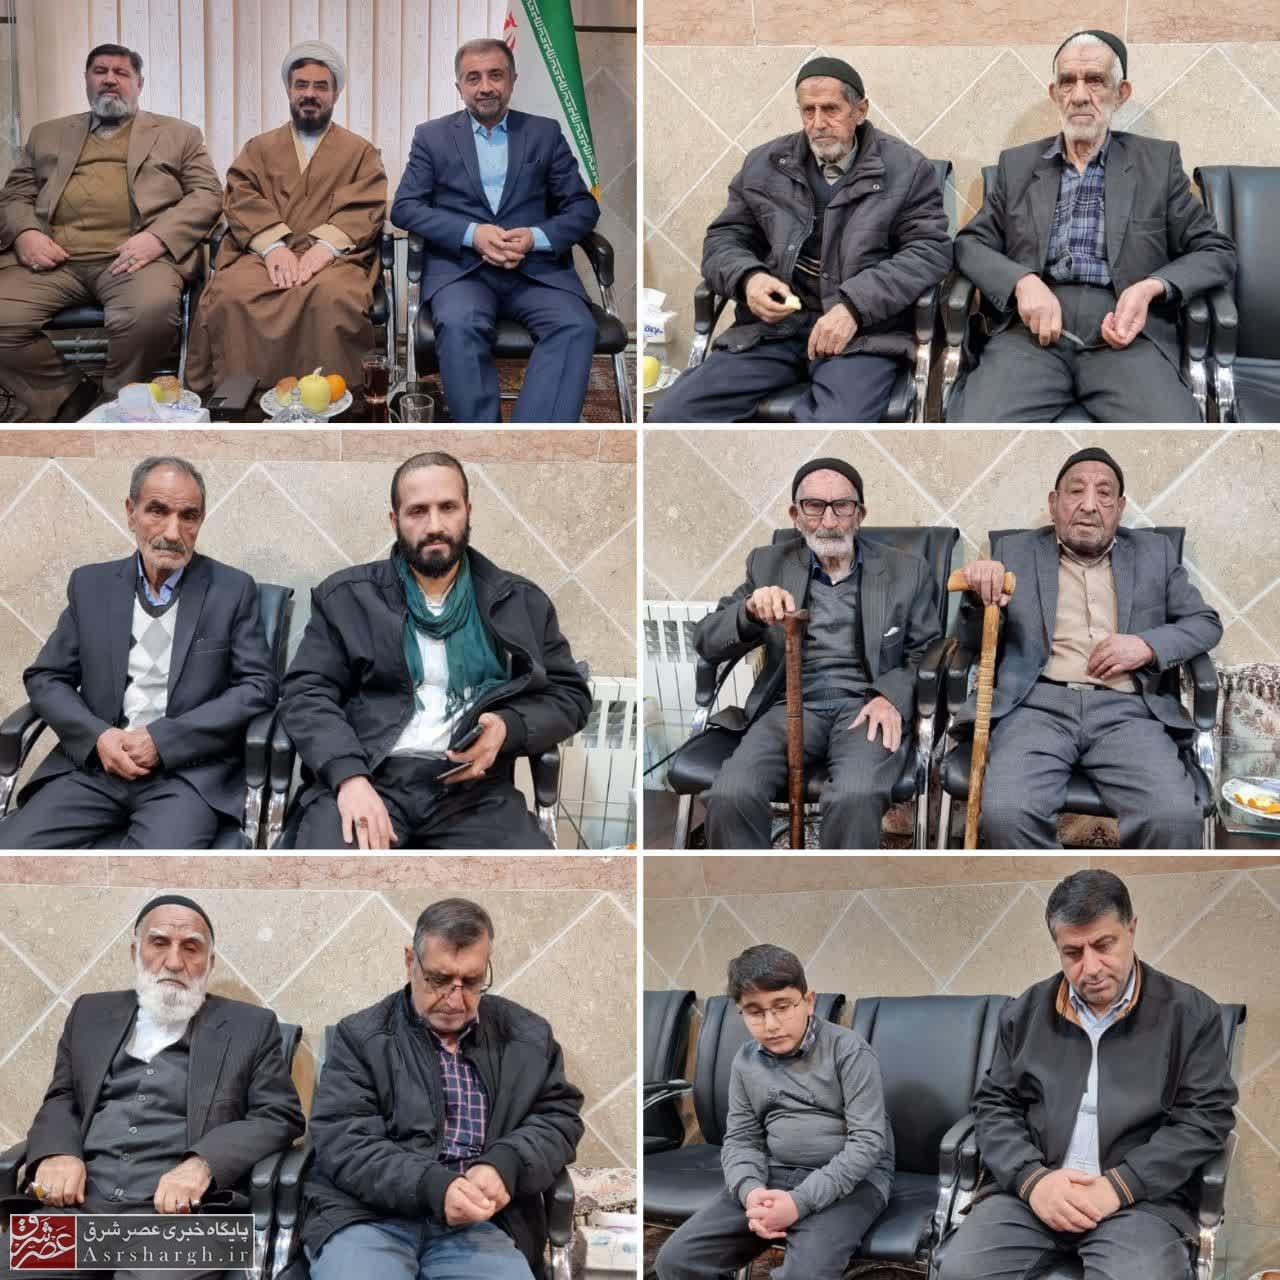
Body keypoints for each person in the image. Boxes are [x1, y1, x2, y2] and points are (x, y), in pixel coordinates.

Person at [279, 450, 591, 849]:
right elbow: (306, 694)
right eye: (417, 511)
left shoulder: (519, 602)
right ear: (394, 520)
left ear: (468, 511)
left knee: (525, 868)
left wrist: (509, 726)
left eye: (448, 507)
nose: (435, 526)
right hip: (371, 774)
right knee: (334, 869)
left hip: (472, 789)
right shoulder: (347, 598)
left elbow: (569, 695)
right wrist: (349, 777)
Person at [938, 870, 1237, 1280]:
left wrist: (1120, 1185)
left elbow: (1206, 1119)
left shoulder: (1190, 1014)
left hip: (1139, 1201)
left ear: (1132, 928)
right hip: (1034, 1193)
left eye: (1104, 945)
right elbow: (994, 1106)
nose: (1091, 967)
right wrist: (1033, 1180)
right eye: (1073, 953)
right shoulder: (1025, 1013)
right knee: (960, 1272)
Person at [6, 895, 305, 1280]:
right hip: (80, 1206)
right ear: (136, 951)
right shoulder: (89, 1013)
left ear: (210, 962)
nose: (175, 961)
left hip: (190, 1218)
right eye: (159, 942)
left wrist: (203, 1164)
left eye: (191, 948)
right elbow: (63, 1096)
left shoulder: (251, 1025)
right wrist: (57, 1152)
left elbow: (279, 1115)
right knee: (15, 1269)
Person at [947, 30, 1236, 422]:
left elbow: (1217, 252)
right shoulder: (1017, 165)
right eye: (1068, 82)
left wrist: (1151, 287)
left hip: (1127, 334)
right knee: (978, 429)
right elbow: (970, 244)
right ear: (1055, 93)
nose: (1080, 95)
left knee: (1172, 432)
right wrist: (1022, 282)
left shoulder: (1158, 163)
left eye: (1095, 80)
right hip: (1030, 334)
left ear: (1121, 93)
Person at [648, 57, 951, 423]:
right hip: (772, 331)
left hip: (861, 337)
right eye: (808, 110)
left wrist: (854, 307)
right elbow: (723, 240)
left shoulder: (907, 169)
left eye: (830, 109)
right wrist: (749, 279)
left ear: (860, 110)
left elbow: (929, 251)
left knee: (833, 430)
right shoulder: (765, 165)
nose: (818, 123)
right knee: (671, 415)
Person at [0, 456, 276, 849]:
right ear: (131, 512)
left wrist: (164, 740)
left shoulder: (232, 590)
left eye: (188, 516)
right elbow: (46, 677)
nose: (172, 531)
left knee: (153, 870)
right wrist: (98, 737)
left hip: (186, 777)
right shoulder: (91, 585)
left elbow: (258, 687)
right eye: (157, 511)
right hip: (94, 769)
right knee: (13, 853)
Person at [953, 446, 1221, 848]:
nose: (1090, 505)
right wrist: (979, 596)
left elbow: (1205, 622)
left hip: (1128, 711)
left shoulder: (1154, 554)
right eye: (1076, 491)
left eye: (1104, 494)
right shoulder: (1014, 552)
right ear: (1053, 503)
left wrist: (1146, 645)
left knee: (1173, 816)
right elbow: (974, 642)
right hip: (1035, 708)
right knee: (1006, 814)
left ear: (1120, 507)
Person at [301, 898, 583, 1279]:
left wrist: (507, 1164)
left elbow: (558, 1118)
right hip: (369, 1217)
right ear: (410, 961)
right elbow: (344, 1141)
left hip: (482, 1224)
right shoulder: (361, 1037)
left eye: (471, 982)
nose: (454, 999)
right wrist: (432, 1187)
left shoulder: (527, 1036)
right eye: (438, 979)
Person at [692, 458, 941, 848]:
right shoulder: (767, 564)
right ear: (795, 515)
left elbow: (927, 651)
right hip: (789, 704)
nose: (828, 520)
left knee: (854, 796)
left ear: (859, 514)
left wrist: (891, 697)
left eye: (842, 506)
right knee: (732, 793)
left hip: (867, 706)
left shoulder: (907, 571)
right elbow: (706, 639)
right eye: (814, 506)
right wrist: (749, 612)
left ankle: (837, 885)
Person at [0, 44, 222, 421]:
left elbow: (208, 194)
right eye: (100, 71)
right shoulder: (47, 134)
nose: (110, 80)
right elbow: (14, 194)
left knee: (150, 315)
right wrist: (25, 234)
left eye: (121, 73)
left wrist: (158, 238)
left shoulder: (179, 134)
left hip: (136, 261)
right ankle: (69, 394)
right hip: (54, 261)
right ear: (86, 80)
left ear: (139, 83)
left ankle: (116, 405)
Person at [390, 38, 600, 422]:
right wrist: (472, 233)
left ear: (513, 80)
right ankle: (481, 440)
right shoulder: (432, 136)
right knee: (459, 324)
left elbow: (583, 207)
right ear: (459, 86)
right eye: (473, 78)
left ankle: (530, 441)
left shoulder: (544, 132)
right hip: (462, 272)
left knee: (575, 325)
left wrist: (535, 238)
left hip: (535, 272)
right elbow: (405, 207)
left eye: (495, 75)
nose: (485, 86)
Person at [656, 944, 894, 1280]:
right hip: (773, 1173)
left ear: (808, 1001)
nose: (770, 1024)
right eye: (755, 1012)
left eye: (782, 1007)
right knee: (677, 1261)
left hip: (853, 1182)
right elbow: (741, 1139)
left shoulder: (849, 1051)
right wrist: (751, 1191)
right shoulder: (745, 1061)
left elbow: (867, 1143)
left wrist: (799, 1202)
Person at [184, 41, 388, 397]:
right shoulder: (259, 148)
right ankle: (240, 401)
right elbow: (240, 195)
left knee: (333, 298)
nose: (310, 94)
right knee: (231, 294)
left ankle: (334, 402)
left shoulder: (360, 152)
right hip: (261, 254)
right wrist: (273, 248)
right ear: (289, 90)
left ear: (336, 93)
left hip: (335, 258)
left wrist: (325, 249)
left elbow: (366, 205)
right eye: (301, 85)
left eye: (321, 86)